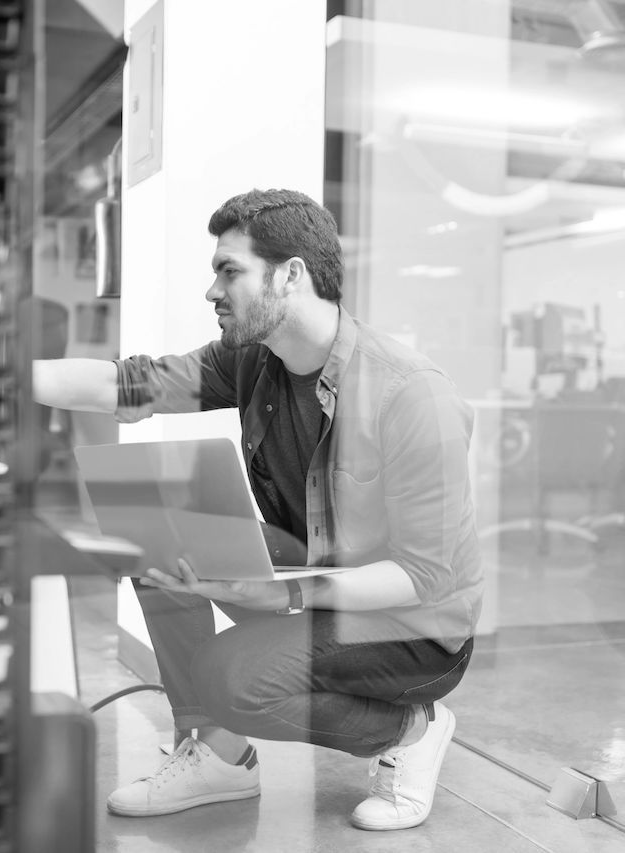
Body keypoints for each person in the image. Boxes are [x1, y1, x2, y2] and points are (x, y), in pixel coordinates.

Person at [32, 188, 483, 831]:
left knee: (232, 678)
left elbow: (426, 577)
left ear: (290, 274)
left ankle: (411, 728)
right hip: (320, 577)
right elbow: (126, 384)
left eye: (229, 270)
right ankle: (221, 757)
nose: (213, 290)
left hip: (413, 625)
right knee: (160, 528)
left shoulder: (411, 395)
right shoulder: (254, 360)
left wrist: (286, 598)